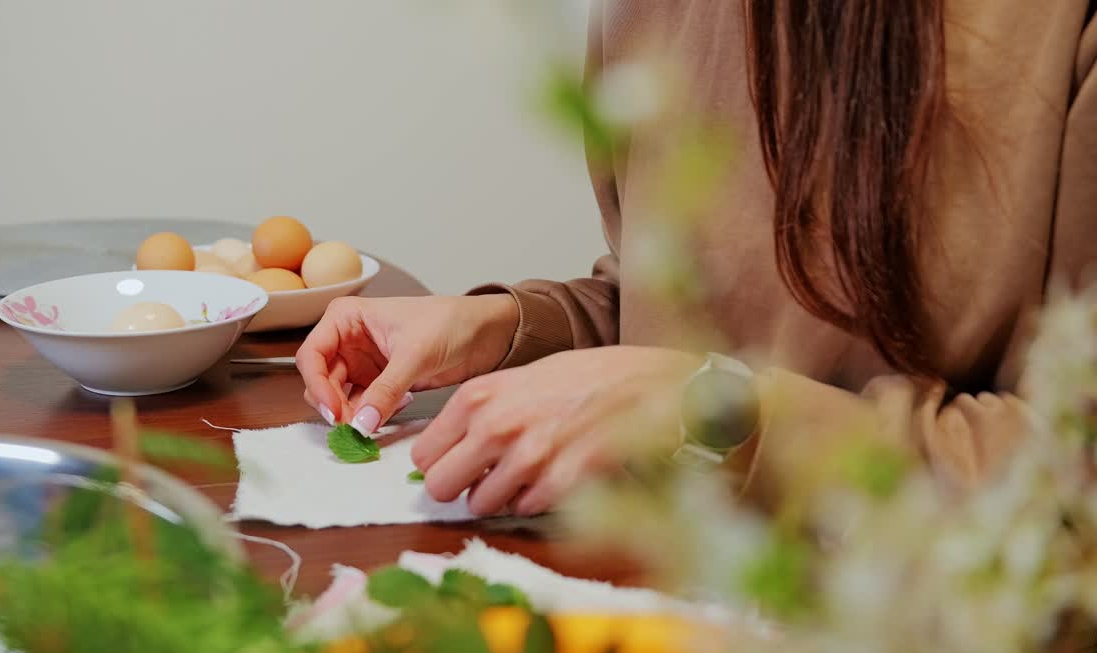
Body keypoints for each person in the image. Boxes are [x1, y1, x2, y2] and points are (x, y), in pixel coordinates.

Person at [296, 0, 1097, 516]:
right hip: (663, 601)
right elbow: (688, 314)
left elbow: (1072, 493)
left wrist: (717, 416)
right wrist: (506, 327)